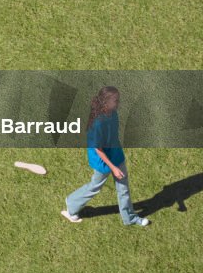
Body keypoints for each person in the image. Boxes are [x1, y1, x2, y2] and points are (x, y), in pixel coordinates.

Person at [61, 86, 149, 226]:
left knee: (123, 188)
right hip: (102, 160)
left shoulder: (113, 113)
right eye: (116, 100)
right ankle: (72, 203)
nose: (118, 103)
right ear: (106, 102)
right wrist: (113, 168)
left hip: (115, 154)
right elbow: (98, 149)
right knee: (95, 186)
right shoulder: (97, 123)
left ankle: (129, 218)